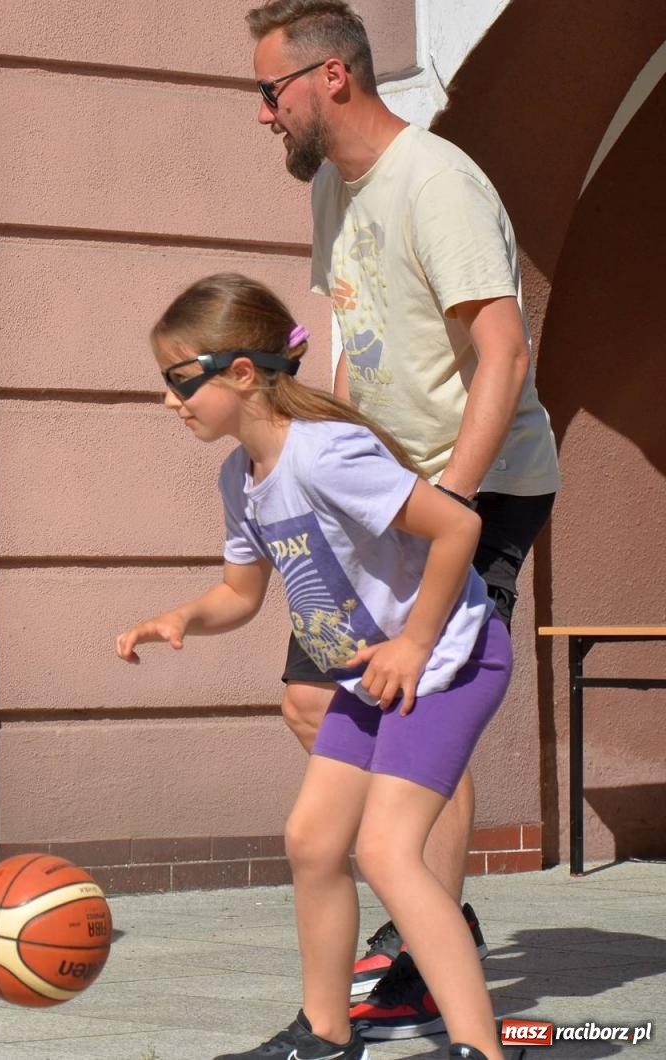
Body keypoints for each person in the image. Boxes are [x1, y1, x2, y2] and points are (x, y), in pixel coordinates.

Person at [246, 0, 561, 1036]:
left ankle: (432, 944)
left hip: (479, 483)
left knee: (421, 696)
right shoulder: (335, 188)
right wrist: (303, 438)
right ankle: (427, 915)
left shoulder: (438, 181)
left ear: (330, 78)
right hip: (376, 489)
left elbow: (502, 351)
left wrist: (455, 501)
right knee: (313, 695)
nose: (263, 115)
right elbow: (342, 336)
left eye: (270, 91)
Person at [118, 273, 514, 1060]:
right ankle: (326, 1034)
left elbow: (457, 527)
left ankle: (480, 1048)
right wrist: (184, 617)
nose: (171, 402)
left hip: (449, 662)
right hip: (372, 677)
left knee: (389, 853)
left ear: (240, 373)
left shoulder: (327, 454)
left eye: (178, 382)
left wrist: (414, 641)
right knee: (311, 841)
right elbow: (241, 591)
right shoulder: (243, 477)